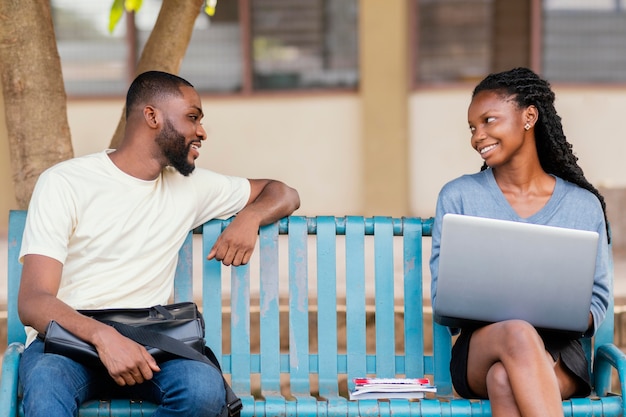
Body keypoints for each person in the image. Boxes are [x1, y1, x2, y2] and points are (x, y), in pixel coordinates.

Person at [17, 70, 300, 417]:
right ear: (152, 116)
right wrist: (104, 338)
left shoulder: (191, 187)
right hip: (68, 342)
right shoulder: (65, 183)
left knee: (203, 391)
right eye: (192, 117)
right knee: (45, 387)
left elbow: (283, 192)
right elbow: (33, 300)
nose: (202, 132)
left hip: (149, 341)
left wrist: (250, 217)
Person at [429, 67, 610, 417]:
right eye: (472, 127)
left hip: (559, 352)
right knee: (516, 333)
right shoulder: (458, 196)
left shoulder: (582, 206)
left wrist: (570, 312)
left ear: (529, 117)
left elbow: (598, 299)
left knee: (504, 380)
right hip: (481, 347)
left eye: (488, 121)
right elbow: (443, 304)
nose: (477, 136)